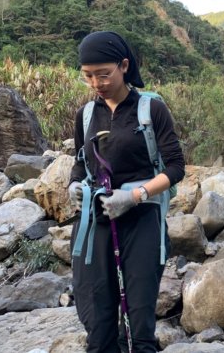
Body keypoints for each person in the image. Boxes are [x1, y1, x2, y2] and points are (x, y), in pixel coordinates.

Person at [67, 31, 185, 353]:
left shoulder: (151, 109)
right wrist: (74, 185)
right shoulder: (86, 115)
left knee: (138, 320)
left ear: (123, 66)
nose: (96, 83)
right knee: (98, 319)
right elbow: (81, 163)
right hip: (96, 222)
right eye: (88, 76)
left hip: (142, 220)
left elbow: (175, 168)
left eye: (103, 74)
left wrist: (134, 196)